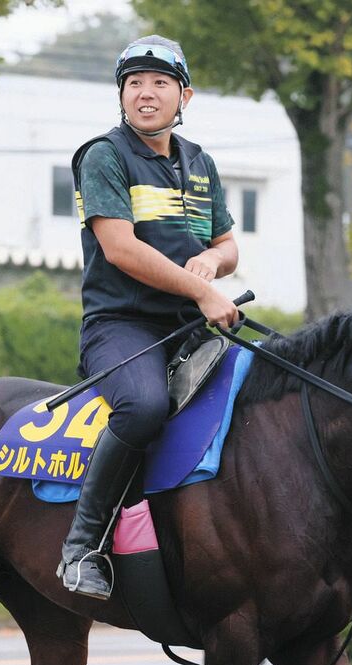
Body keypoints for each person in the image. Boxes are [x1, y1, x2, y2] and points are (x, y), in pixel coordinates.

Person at [58, 35, 240, 600]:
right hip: (121, 326)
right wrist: (203, 291)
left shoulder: (200, 161)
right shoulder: (103, 156)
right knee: (143, 409)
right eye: (133, 82)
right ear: (121, 94)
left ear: (183, 94)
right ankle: (81, 547)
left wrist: (212, 259)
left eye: (159, 83)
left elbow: (229, 245)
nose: (145, 93)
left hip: (188, 328)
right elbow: (121, 250)